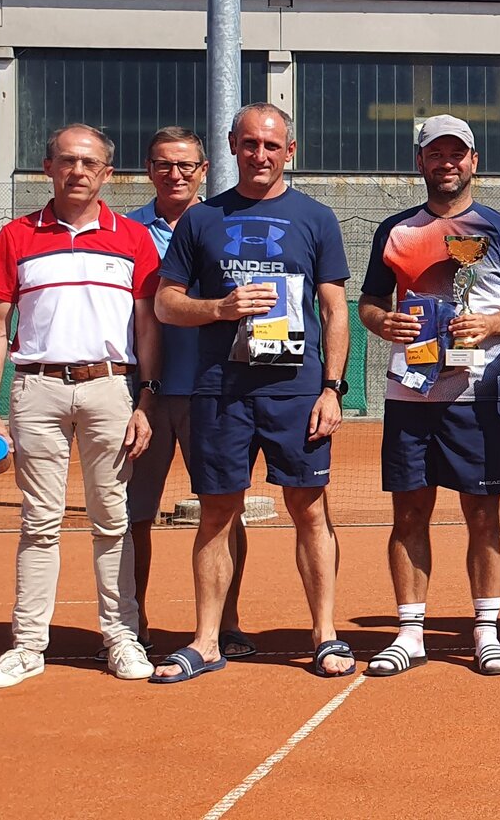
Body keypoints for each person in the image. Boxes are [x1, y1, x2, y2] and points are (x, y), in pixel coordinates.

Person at [150, 103, 354, 682]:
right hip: (221, 391)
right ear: (233, 147)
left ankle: (324, 634)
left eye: (270, 145)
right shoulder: (200, 219)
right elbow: (166, 302)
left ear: (290, 151)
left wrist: (332, 389)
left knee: (309, 508)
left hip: (297, 392)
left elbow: (334, 310)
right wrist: (219, 307)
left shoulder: (316, 218)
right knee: (218, 511)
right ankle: (206, 640)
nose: (259, 155)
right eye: (249, 144)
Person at [0, 123, 160, 688]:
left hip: (111, 389)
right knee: (39, 523)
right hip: (37, 390)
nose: (78, 171)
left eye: (90, 162)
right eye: (67, 160)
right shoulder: (16, 236)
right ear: (48, 167)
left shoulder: (134, 238)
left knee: (114, 520)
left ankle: (121, 637)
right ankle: (28, 646)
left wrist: (145, 399)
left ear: (107, 173)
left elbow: (148, 327)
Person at [356, 115, 500, 678]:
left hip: (477, 397)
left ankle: (486, 632)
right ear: (421, 162)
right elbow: (369, 303)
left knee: (484, 513)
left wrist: (490, 324)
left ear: (473, 161)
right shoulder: (395, 230)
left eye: (457, 153)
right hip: (409, 395)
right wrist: (383, 323)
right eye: (436, 153)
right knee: (409, 513)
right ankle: (410, 634)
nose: (447, 162)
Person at [125, 127, 255, 660]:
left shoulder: (224, 224)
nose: (174, 174)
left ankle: (227, 623)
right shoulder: (125, 230)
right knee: (134, 514)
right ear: (148, 169)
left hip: (214, 392)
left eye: (185, 165)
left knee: (225, 512)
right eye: (163, 164)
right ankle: (132, 624)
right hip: (143, 397)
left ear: (203, 170)